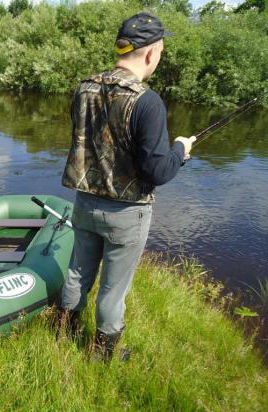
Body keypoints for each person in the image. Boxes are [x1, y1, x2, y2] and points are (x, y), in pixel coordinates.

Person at [60, 11, 196, 360]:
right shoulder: (148, 102)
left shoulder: (84, 87)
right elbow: (157, 172)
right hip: (126, 213)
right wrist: (181, 150)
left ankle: (63, 333)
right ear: (151, 53)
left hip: (84, 202)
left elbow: (87, 140)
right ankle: (103, 354)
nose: (159, 58)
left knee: (78, 271)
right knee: (112, 289)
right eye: (161, 52)